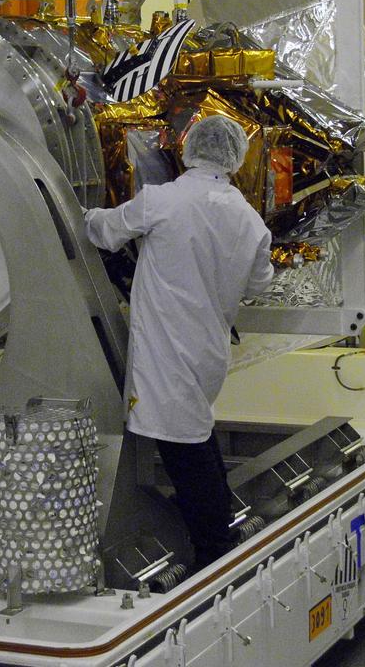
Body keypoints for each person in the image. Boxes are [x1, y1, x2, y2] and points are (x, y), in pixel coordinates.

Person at [84, 115, 274, 570]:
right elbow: (262, 285)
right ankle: (216, 542)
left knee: (185, 455)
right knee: (194, 440)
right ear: (235, 157)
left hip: (167, 354)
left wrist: (71, 205)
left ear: (188, 149)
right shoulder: (250, 222)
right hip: (208, 352)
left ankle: (215, 556)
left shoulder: (163, 201)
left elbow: (102, 230)